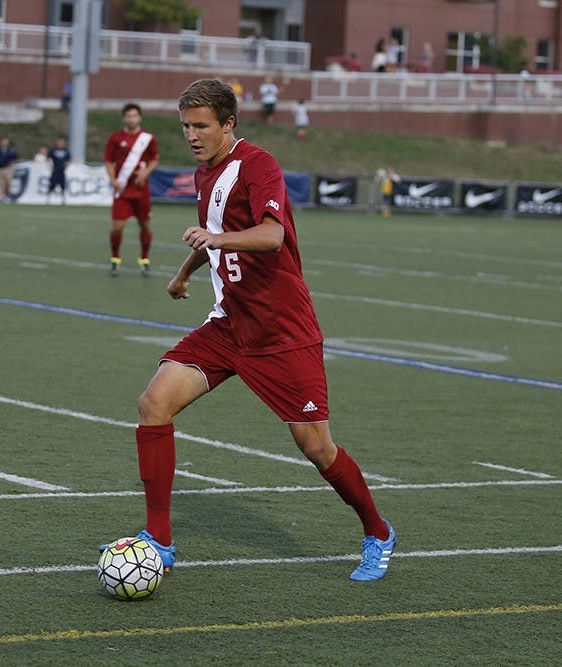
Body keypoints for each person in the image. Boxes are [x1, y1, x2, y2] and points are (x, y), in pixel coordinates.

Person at [115, 78, 396, 583]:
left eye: (201, 126)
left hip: (282, 333)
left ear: (229, 123)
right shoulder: (206, 174)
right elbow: (216, 236)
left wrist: (215, 238)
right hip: (228, 326)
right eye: (185, 127)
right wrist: (185, 272)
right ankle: (158, 539)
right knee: (154, 403)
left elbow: (271, 235)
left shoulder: (259, 165)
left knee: (316, 447)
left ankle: (377, 532)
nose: (192, 135)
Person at [104, 102, 159, 276]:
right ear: (124, 118)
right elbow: (108, 160)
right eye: (128, 116)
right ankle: (115, 258)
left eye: (134, 115)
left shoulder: (148, 138)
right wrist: (113, 179)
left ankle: (144, 259)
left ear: (140, 117)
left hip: (142, 192)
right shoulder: (115, 138)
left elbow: (155, 158)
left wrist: (146, 172)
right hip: (123, 191)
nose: (132, 119)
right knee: (118, 227)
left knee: (145, 226)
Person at [0, 136, 17, 203]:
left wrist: (11, 163)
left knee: (8, 183)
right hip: (0, 169)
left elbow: (15, 158)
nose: (4, 142)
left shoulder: (11, 150)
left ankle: (8, 197)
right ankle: (1, 197)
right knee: (1, 184)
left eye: (6, 141)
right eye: (3, 141)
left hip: (8, 169)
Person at [46, 135, 70, 205]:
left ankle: (64, 200)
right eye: (59, 142)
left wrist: (66, 165)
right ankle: (48, 200)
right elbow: (48, 158)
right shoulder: (53, 150)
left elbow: (69, 159)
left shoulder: (66, 151)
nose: (60, 143)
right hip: (55, 171)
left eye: (62, 142)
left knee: (63, 186)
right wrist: (50, 166)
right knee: (51, 185)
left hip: (62, 171)